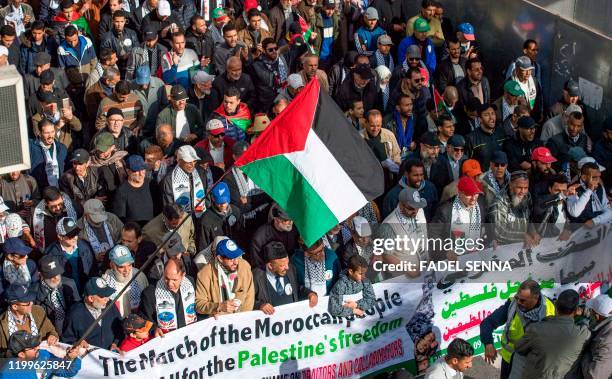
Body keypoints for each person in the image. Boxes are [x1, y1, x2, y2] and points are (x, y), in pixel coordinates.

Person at [479, 280, 555, 379]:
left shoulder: (550, 309)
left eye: (523, 300)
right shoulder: (512, 305)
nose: (518, 302)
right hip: (509, 360)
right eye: (517, 297)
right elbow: (487, 323)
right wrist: (488, 343)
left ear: (536, 298)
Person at [515, 289, 590, 379]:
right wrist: (585, 313)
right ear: (576, 310)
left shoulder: (536, 329)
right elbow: (590, 320)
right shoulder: (582, 334)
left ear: (556, 305)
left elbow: (519, 348)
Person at [194, 238, 255, 317]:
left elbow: (249, 297)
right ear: (220, 258)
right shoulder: (204, 274)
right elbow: (199, 305)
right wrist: (218, 307)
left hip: (241, 322)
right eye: (231, 259)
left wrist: (243, 319)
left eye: (237, 257)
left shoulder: (245, 266)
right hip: (219, 323)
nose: (236, 262)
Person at [253, 241, 318, 314]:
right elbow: (248, 301)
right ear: (270, 266)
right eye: (282, 265)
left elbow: (297, 289)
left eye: (287, 263)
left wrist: (310, 294)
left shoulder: (291, 269)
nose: (287, 267)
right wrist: (260, 306)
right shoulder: (256, 276)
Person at [431, 176, 486, 260]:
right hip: (453, 259)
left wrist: (491, 238)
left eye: (475, 193)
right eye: (469, 194)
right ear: (460, 193)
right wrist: (446, 251)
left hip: (475, 256)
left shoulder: (481, 204)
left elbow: (487, 224)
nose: (473, 199)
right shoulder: (445, 210)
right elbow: (433, 234)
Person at [377, 188, 428, 277]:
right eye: (411, 208)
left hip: (425, 267)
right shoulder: (389, 225)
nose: (415, 211)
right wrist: (408, 269)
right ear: (401, 205)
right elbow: (386, 255)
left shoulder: (419, 211)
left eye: (417, 207)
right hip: (405, 277)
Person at [63, 277, 124, 351]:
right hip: (89, 358)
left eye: (108, 295)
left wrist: (115, 343)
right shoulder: (75, 313)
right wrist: (77, 343)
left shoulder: (110, 305)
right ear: (91, 298)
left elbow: (120, 328)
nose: (107, 299)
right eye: (103, 296)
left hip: (111, 356)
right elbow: (67, 339)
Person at [0, 284, 58, 357]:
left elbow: (51, 330)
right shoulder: (1, 325)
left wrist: (52, 336)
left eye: (31, 300)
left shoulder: (38, 311)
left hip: (42, 359)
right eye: (27, 303)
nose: (31, 303)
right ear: (15, 306)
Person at [43, 216, 96, 294]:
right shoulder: (50, 254)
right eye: (70, 235)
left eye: (76, 233)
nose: (75, 237)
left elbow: (93, 270)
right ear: (60, 236)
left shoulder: (85, 246)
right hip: (67, 296)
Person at [0, 330, 82, 378]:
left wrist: (71, 358)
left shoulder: (43, 355)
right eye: (33, 348)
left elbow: (67, 371)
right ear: (21, 354)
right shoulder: (8, 374)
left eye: (36, 345)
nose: (38, 348)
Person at [487, 170, 538, 247]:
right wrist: (523, 237)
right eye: (519, 188)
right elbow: (499, 233)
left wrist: (533, 232)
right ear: (510, 185)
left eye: (526, 188)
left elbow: (529, 218)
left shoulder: (527, 196)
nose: (523, 192)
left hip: (522, 246)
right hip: (503, 248)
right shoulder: (499, 203)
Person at [33, 255, 80, 336]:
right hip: (50, 332)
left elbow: (77, 308)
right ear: (40, 275)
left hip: (69, 328)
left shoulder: (69, 283)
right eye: (51, 275)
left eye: (57, 273)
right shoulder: (34, 291)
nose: (56, 277)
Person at [161, 145, 207, 220]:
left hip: (201, 217)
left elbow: (206, 195)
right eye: (188, 162)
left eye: (194, 161)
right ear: (179, 160)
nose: (192, 165)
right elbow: (168, 205)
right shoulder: (169, 179)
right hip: (181, 221)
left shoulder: (201, 172)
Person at [102, 244, 148, 317]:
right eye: (121, 267)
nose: (126, 270)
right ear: (111, 265)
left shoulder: (139, 276)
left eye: (129, 265)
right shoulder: (105, 283)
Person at [77, 198, 123, 269]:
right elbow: (79, 253)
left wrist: (115, 250)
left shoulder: (112, 218)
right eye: (95, 218)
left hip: (117, 261)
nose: (99, 221)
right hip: (94, 267)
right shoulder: (78, 228)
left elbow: (123, 238)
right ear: (86, 215)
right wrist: (94, 257)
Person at [574, 293, 612, 378]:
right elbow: (598, 316)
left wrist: (584, 353)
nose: (589, 311)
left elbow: (593, 376)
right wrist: (584, 311)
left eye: (591, 310)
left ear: (596, 316)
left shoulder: (606, 341)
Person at [113, 155, 155, 225]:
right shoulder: (121, 191)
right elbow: (120, 219)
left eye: (143, 169)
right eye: (137, 171)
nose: (141, 174)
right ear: (128, 171)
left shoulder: (152, 184)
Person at [199, 182, 242, 250]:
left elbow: (241, 234)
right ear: (213, 200)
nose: (222, 205)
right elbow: (203, 245)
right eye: (219, 203)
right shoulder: (206, 220)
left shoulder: (236, 211)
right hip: (216, 254)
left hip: (235, 251)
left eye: (225, 202)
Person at [567, 161, 612, 226]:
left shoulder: (600, 187)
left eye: (599, 176)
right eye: (594, 177)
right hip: (579, 228)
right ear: (584, 177)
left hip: (598, 224)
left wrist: (595, 221)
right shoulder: (573, 189)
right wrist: (589, 190)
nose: (598, 180)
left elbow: (608, 211)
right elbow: (575, 213)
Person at [251, 38, 289, 113]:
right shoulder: (258, 64)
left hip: (283, 97)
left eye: (275, 48)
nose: (274, 51)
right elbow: (269, 81)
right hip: (267, 103)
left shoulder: (281, 58)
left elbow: (287, 73)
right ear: (264, 51)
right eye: (270, 50)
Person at [28, 119, 68, 188]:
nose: (50, 136)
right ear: (40, 133)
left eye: (52, 132)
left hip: (59, 190)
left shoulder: (62, 148)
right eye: (47, 133)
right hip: (39, 191)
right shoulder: (31, 147)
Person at [466, 103, 506, 169]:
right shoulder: (471, 138)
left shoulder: (501, 133)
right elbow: (467, 164)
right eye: (486, 115)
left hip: (501, 175)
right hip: (481, 178)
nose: (491, 117)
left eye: (493, 113)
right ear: (480, 119)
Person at [532, 174, 572, 239]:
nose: (561, 193)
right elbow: (538, 209)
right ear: (550, 189)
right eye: (557, 190)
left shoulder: (567, 201)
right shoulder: (542, 201)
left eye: (564, 191)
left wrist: (567, 229)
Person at [510, 56, 543, 121]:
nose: (528, 73)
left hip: (533, 118)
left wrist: (540, 112)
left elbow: (539, 98)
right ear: (517, 70)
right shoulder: (510, 84)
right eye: (524, 70)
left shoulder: (534, 81)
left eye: (530, 69)